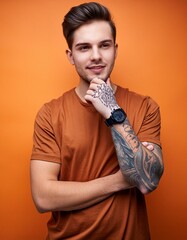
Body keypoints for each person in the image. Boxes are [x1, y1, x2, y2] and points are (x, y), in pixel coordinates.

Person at [30, 2, 164, 239]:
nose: (96, 56)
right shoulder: (50, 114)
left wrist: (113, 111)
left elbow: (148, 179)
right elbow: (43, 197)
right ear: (71, 56)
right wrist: (123, 179)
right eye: (84, 48)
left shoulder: (145, 107)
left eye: (104, 45)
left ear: (115, 49)